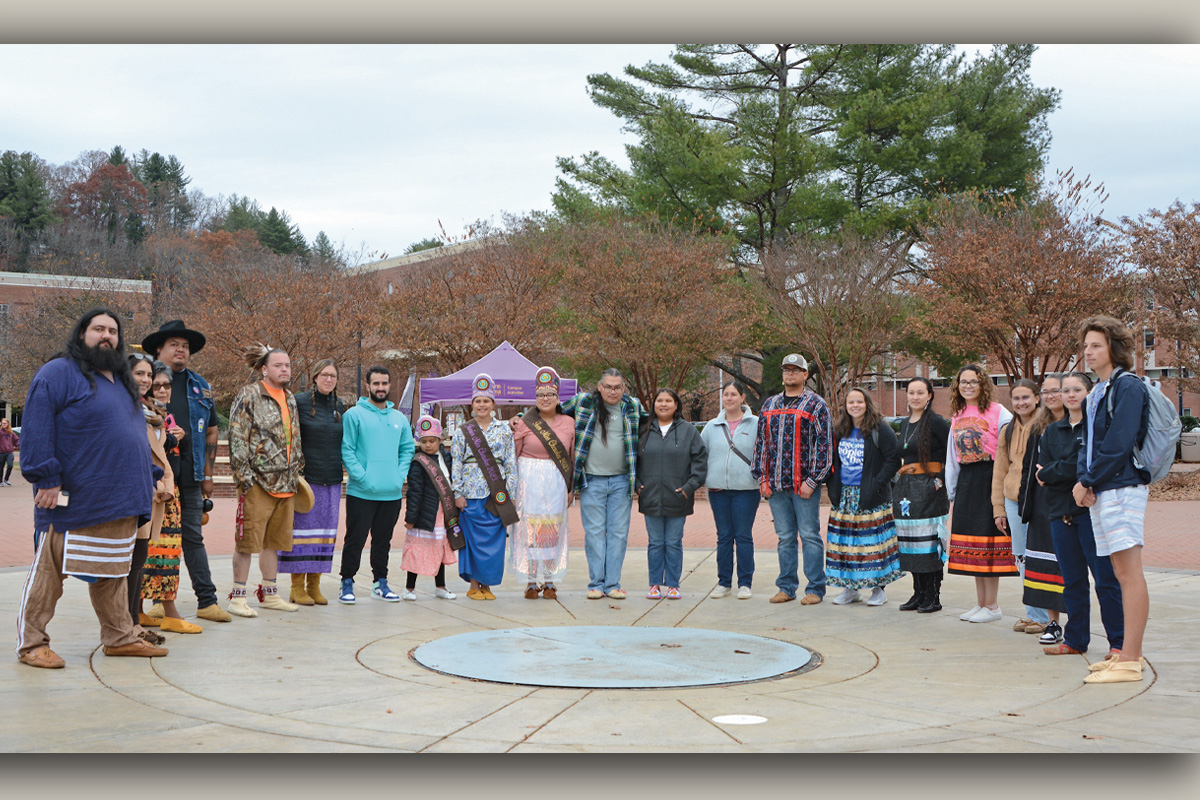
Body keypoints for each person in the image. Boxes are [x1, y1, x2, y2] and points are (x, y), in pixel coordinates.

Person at [15, 308, 167, 667]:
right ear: (82, 332)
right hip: (73, 495)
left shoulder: (121, 380)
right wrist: (46, 478)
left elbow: (128, 434)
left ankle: (119, 636)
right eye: (98, 328)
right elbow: (36, 428)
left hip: (121, 496)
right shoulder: (58, 373)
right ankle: (32, 643)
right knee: (50, 572)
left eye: (113, 331)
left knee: (113, 570)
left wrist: (147, 473)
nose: (106, 336)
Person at [1073, 316, 1151, 684]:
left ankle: (1131, 659)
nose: (1088, 352)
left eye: (1096, 346)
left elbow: (1119, 444)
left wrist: (1088, 480)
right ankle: (1124, 655)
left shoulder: (1127, 387)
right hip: (1102, 489)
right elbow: (1087, 445)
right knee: (1118, 572)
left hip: (1122, 488)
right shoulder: (1097, 392)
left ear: (1114, 349)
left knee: (1129, 572)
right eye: (1086, 346)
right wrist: (1085, 481)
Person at [141, 320, 229, 623]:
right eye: (174, 344)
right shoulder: (143, 380)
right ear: (159, 349)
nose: (181, 350)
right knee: (154, 538)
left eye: (186, 346)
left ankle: (207, 601)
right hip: (155, 476)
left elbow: (212, 431)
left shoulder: (199, 384)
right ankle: (156, 602)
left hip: (190, 475)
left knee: (192, 537)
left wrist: (207, 473)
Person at [1037, 371, 1124, 662]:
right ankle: (1075, 640)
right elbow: (1044, 473)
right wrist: (1061, 471)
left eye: (1077, 389)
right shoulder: (1051, 431)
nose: (1070, 394)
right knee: (1072, 581)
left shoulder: (1098, 428)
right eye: (1065, 390)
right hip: (1060, 514)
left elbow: (1083, 468)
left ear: (1090, 393)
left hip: (1091, 513)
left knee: (1105, 579)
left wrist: (1057, 472)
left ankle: (1119, 643)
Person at [226, 344, 304, 617]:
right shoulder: (250, 394)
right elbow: (237, 436)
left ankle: (269, 593)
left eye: (288, 365)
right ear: (264, 369)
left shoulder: (290, 398)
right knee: (247, 541)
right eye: (278, 365)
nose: (285, 370)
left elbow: (294, 437)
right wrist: (245, 479)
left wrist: (297, 470)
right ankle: (237, 597)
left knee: (274, 541)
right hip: (257, 483)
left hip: (286, 484)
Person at [751, 353, 834, 605]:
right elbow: (761, 443)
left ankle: (815, 589)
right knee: (785, 537)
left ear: (805, 375)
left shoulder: (816, 405)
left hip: (804, 486)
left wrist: (813, 480)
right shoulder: (769, 404)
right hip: (775, 485)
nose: (790, 374)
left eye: (796, 370)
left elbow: (825, 445)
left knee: (809, 535)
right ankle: (786, 587)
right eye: (786, 370)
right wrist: (761, 477)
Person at [561, 369, 649, 600]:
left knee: (619, 534)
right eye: (608, 386)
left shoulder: (633, 406)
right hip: (592, 481)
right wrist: (520, 418)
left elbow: (656, 422)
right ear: (599, 386)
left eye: (617, 387)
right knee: (595, 533)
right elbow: (550, 412)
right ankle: (596, 584)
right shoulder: (583, 402)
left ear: (623, 388)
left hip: (622, 481)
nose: (613, 391)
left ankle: (613, 584)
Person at [338, 365, 415, 604]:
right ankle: (347, 582)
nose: (380, 388)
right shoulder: (354, 415)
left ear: (390, 385)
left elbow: (407, 448)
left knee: (383, 542)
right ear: (368, 386)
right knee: (355, 539)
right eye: (376, 384)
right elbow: (347, 450)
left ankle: (380, 583)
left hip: (390, 493)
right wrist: (363, 477)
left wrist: (398, 476)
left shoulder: (399, 418)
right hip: (361, 492)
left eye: (384, 383)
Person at [946, 364, 1016, 623]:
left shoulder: (999, 412)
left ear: (982, 384)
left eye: (973, 382)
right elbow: (951, 456)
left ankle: (993, 605)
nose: (967, 386)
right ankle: (981, 603)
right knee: (973, 544)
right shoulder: (958, 414)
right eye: (963, 382)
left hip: (990, 478)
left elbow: (1010, 446)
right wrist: (951, 488)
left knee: (989, 544)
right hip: (967, 480)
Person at [124, 355, 187, 644]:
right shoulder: (126, 409)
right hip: (135, 492)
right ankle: (126, 626)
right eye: (141, 374)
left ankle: (133, 623)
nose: (148, 381)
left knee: (138, 560)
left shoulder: (152, 413)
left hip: (155, 492)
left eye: (150, 375)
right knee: (129, 563)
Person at [991, 379, 1058, 635]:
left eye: (1026, 397)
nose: (1021, 403)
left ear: (1037, 398)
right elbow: (1000, 470)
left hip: (1038, 499)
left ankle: (1043, 616)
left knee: (1039, 555)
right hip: (1012, 500)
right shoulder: (1007, 430)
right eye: (1016, 398)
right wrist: (999, 507)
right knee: (1021, 557)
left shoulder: (1045, 426)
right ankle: (1034, 613)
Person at [825, 387, 903, 606]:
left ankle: (879, 590)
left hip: (872, 496)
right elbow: (833, 461)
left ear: (867, 403)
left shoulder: (880, 429)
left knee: (873, 544)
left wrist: (877, 483)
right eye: (851, 402)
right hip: (845, 497)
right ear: (846, 406)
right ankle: (850, 589)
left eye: (859, 402)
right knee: (846, 545)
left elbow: (892, 460)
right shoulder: (840, 430)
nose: (855, 406)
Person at [139, 361, 200, 633]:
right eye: (157, 384)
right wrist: (171, 440)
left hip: (168, 491)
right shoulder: (141, 414)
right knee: (157, 552)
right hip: (153, 492)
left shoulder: (159, 414)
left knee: (163, 551)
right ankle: (168, 612)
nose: (162, 389)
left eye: (166, 384)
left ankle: (138, 610)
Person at [280, 359, 346, 606]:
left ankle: (314, 585)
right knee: (302, 535)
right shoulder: (299, 402)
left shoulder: (339, 405)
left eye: (333, 376)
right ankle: (296, 587)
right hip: (307, 481)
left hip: (332, 481)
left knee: (324, 535)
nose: (329, 380)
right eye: (324, 375)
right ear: (315, 377)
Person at [510, 367, 575, 599]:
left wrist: (570, 488)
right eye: (540, 395)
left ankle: (549, 581)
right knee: (529, 532)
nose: (545, 399)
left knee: (551, 532)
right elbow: (513, 456)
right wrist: (512, 488)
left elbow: (571, 457)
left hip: (556, 481)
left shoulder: (569, 422)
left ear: (558, 398)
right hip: (528, 481)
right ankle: (530, 582)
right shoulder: (524, 422)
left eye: (550, 395)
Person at [637, 388, 707, 600]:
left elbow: (700, 461)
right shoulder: (643, 429)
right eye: (660, 400)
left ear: (676, 405)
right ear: (654, 404)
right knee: (656, 542)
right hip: (650, 496)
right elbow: (632, 458)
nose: (664, 404)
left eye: (669, 400)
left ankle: (674, 584)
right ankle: (655, 584)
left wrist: (689, 487)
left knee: (674, 541)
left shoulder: (688, 431)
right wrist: (637, 485)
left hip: (678, 496)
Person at [453, 373, 517, 600]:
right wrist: (458, 493)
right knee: (473, 542)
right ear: (472, 404)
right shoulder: (463, 431)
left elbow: (510, 462)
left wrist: (511, 493)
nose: (482, 405)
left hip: (496, 495)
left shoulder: (504, 430)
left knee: (494, 542)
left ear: (493, 404)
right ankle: (473, 585)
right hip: (470, 494)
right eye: (478, 400)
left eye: (486, 401)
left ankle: (487, 585)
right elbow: (456, 463)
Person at [893, 377, 951, 613]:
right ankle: (918, 592)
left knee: (928, 543)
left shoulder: (936, 422)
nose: (915, 397)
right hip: (907, 489)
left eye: (920, 392)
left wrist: (940, 481)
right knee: (911, 543)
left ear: (929, 396)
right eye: (911, 392)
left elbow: (952, 454)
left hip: (930, 487)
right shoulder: (905, 423)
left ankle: (933, 595)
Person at [1016, 375, 1067, 643]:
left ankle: (1078, 621)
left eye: (1055, 390)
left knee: (1068, 563)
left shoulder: (1078, 423)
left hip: (1071, 502)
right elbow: (1027, 468)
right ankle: (1053, 623)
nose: (1050, 396)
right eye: (1046, 392)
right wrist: (1025, 503)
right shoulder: (1038, 426)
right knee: (1044, 563)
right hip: (1041, 503)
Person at [700, 379, 760, 599]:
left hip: (746, 490)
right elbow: (699, 454)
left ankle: (745, 583)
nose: (729, 398)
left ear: (743, 398)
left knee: (743, 536)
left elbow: (764, 453)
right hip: (718, 491)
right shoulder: (711, 426)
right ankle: (723, 582)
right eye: (726, 395)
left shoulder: (756, 423)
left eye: (734, 394)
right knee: (724, 536)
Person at [401, 415, 458, 600]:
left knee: (439, 549)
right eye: (424, 441)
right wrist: (411, 518)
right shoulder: (418, 462)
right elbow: (414, 491)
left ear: (439, 440)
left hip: (443, 512)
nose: (428, 445)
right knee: (417, 550)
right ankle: (409, 588)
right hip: (424, 514)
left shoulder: (446, 457)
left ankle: (440, 586)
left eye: (432, 441)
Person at [0, 417, 17, 485]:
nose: (4, 424)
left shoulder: (11, 433)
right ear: (1, 423)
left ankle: (6, 479)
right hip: (1, 452)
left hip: (9, 452)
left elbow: (16, 440)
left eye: (5, 423)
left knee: (10, 465)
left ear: (8, 424)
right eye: (3, 423)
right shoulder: (0, 432)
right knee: (1, 467)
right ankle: (0, 481)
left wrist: (19, 444)